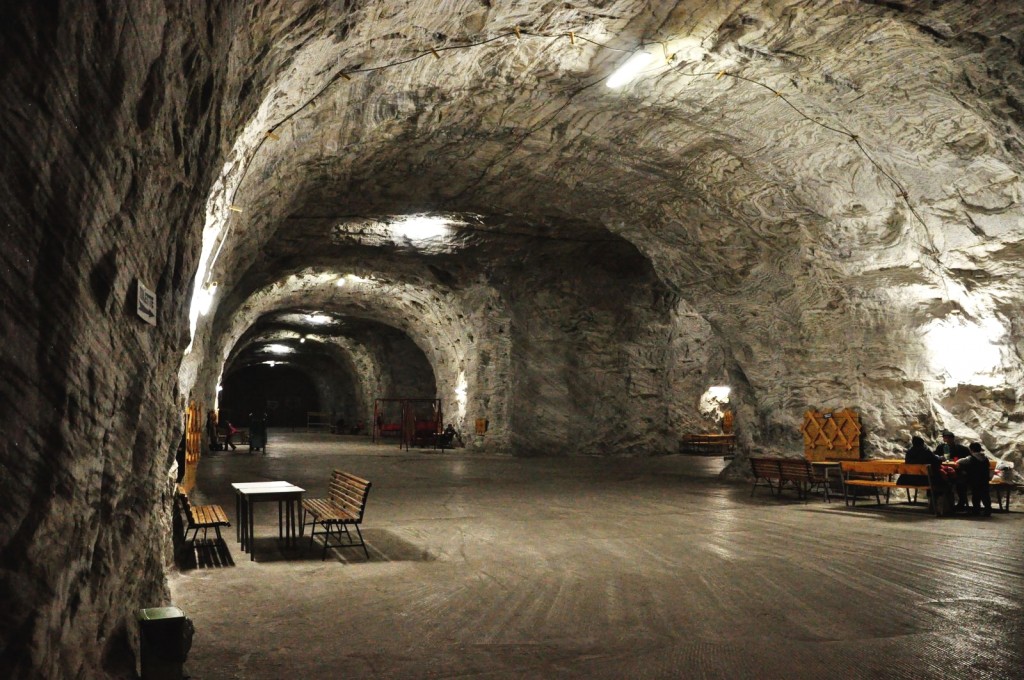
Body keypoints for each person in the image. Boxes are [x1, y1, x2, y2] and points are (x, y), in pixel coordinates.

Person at [951, 442, 993, 516]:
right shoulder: (985, 458)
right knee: (985, 494)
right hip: (984, 479)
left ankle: (976, 509)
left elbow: (959, 461)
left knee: (975, 494)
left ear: (971, 450)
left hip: (974, 480)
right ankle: (988, 509)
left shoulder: (970, 458)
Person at [935, 430, 970, 511]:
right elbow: (935, 458)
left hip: (958, 471)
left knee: (961, 483)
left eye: (949, 438)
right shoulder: (940, 447)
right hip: (944, 471)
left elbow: (968, 461)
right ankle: (944, 504)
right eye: (945, 438)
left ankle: (961, 503)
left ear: (953, 439)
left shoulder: (962, 449)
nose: (947, 440)